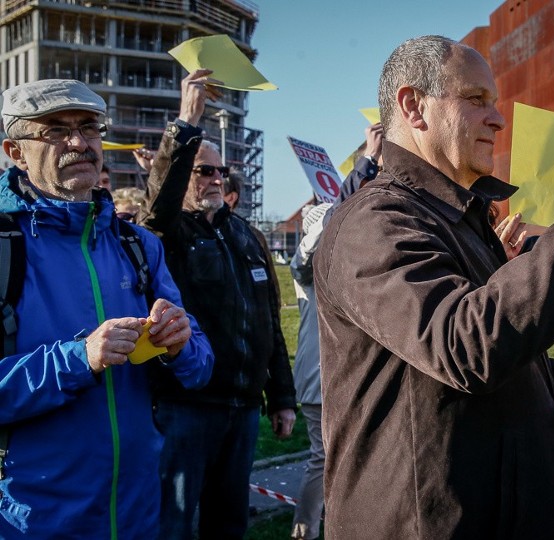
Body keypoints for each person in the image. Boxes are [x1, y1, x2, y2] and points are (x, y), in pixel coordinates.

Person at [313, 35, 554, 539]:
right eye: (475, 101)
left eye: (494, 103)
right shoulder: (374, 222)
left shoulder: (459, 217)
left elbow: (498, 346)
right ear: (413, 106)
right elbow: (462, 345)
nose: (497, 119)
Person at [0, 79, 213, 539]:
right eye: (55, 131)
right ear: (14, 151)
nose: (78, 143)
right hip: (33, 519)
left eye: (89, 128)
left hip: (137, 513)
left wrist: (180, 344)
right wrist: (80, 359)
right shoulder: (4, 247)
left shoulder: (138, 244)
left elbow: (200, 367)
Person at [136, 69, 297, 540]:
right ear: (185, 174)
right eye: (203, 169)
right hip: (187, 407)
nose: (214, 178)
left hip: (243, 409)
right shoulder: (169, 232)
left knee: (228, 524)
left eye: (220, 171)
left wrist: (281, 397)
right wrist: (186, 123)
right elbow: (158, 203)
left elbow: (268, 319)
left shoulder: (245, 235)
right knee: (176, 525)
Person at [288, 123, 383, 540]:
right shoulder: (308, 261)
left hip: (336, 375)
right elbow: (333, 226)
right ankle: (305, 530)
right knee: (321, 459)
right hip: (318, 379)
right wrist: (366, 163)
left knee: (342, 458)